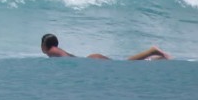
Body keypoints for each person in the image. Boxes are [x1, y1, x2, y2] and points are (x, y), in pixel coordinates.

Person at [40, 33, 171, 61]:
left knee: (126, 64)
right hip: (92, 59)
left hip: (92, 61)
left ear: (44, 45)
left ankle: (152, 51)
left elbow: (68, 59)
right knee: (126, 64)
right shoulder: (55, 51)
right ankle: (156, 58)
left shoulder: (52, 51)